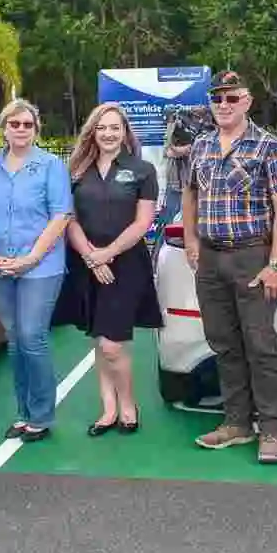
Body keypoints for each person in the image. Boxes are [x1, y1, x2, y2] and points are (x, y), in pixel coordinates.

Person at [181, 70, 277, 464]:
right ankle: (236, 423)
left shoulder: (269, 147)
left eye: (232, 98)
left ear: (248, 101)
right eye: (217, 99)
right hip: (211, 259)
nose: (223, 105)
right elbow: (190, 194)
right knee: (224, 343)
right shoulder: (201, 146)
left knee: (261, 346)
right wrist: (193, 242)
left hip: (252, 256)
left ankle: (272, 431)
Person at [52, 103, 163, 436]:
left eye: (115, 127)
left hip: (125, 265)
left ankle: (128, 405)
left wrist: (107, 255)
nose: (109, 134)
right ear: (93, 132)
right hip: (86, 264)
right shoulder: (75, 171)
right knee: (99, 340)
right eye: (102, 127)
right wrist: (90, 256)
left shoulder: (142, 170)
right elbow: (68, 219)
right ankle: (108, 409)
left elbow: (143, 222)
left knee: (113, 344)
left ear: (125, 132)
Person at [0, 98, 72, 443]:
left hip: (41, 268)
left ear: (36, 129)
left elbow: (61, 215)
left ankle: (42, 415)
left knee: (33, 335)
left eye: (27, 124)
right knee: (15, 341)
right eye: (14, 124)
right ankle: (24, 412)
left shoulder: (50, 167)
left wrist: (31, 257)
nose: (20, 130)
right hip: (0, 267)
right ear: (3, 128)